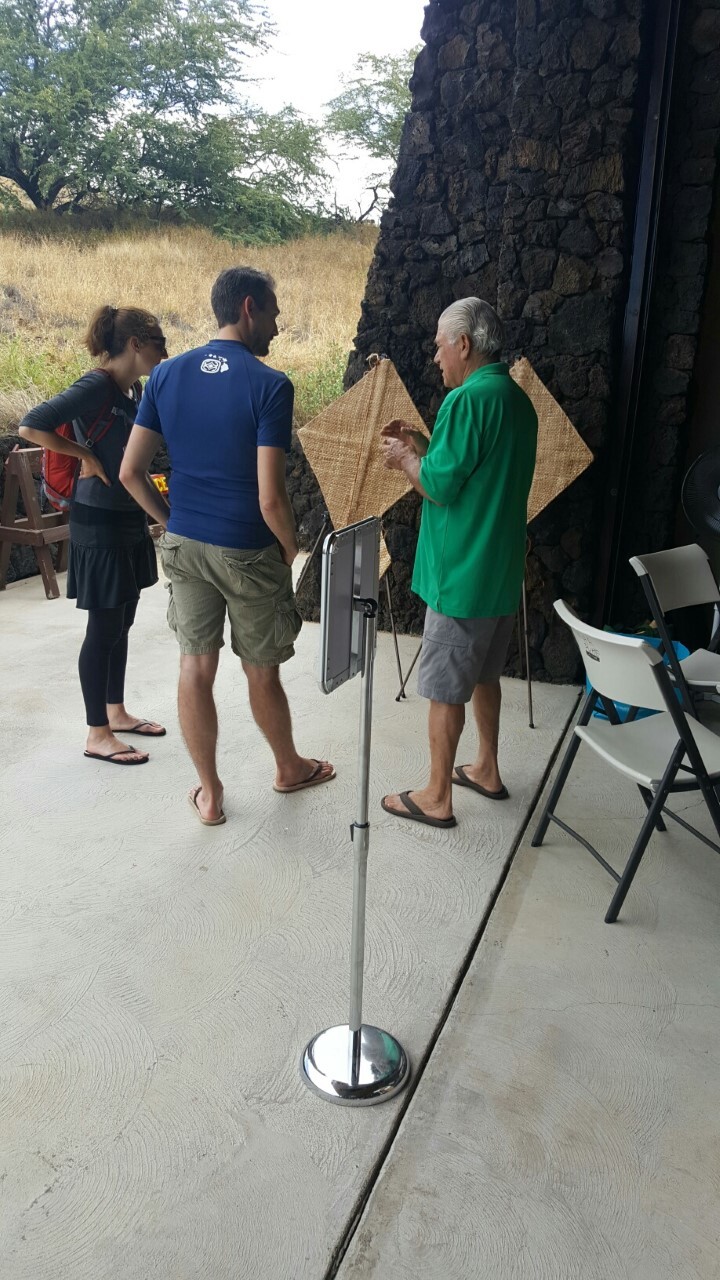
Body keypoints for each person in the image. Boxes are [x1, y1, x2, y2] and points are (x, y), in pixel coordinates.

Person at [119, 266, 335, 825]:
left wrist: (172, 521)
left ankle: (210, 794)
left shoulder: (165, 376)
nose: (278, 325)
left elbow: (130, 472)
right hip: (247, 547)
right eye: (273, 312)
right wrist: (291, 548)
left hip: (186, 545)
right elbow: (271, 498)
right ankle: (289, 769)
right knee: (260, 670)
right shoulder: (269, 384)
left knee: (195, 665)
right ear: (247, 308)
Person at [379, 297, 538, 828]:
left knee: (445, 688)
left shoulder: (466, 401)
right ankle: (487, 769)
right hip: (496, 572)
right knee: (486, 676)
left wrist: (405, 458)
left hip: (460, 575)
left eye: (439, 347)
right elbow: (474, 466)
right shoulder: (516, 400)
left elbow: (440, 485)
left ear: (464, 344)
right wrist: (423, 442)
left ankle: (436, 796)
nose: (436, 358)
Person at [19, 306, 169, 765]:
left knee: (122, 619)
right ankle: (96, 734)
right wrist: (82, 452)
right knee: (103, 626)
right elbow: (32, 423)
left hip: (126, 517)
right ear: (136, 344)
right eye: (160, 342)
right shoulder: (97, 384)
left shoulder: (131, 389)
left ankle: (116, 712)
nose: (166, 351)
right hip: (98, 520)